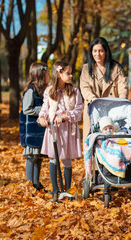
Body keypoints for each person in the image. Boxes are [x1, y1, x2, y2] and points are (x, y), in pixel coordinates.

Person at [38, 61, 83, 196]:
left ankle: (67, 189)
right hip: (54, 129)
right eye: (68, 73)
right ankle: (56, 189)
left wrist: (66, 116)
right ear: (59, 74)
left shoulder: (74, 91)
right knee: (54, 158)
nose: (70, 76)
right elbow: (45, 109)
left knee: (67, 158)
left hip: (68, 129)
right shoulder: (50, 91)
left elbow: (79, 109)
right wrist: (42, 118)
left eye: (71, 73)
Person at [80, 37, 128, 142]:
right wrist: (93, 99)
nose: (97, 54)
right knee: (91, 141)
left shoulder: (116, 68)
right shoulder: (86, 68)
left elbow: (123, 87)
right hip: (93, 109)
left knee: (112, 140)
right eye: (95, 51)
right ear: (91, 52)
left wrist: (121, 102)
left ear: (106, 51)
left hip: (112, 109)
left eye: (101, 51)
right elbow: (84, 88)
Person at [19, 62, 49, 191]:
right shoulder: (31, 90)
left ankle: (36, 183)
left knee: (39, 158)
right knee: (31, 158)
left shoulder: (43, 91)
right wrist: (43, 110)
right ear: (40, 75)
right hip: (31, 132)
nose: (49, 75)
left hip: (40, 131)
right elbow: (27, 109)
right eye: (47, 73)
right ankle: (29, 184)